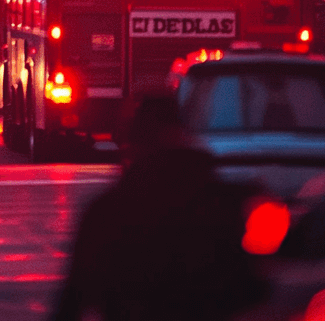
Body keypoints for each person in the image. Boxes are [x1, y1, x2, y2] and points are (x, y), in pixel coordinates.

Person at [51, 93, 269, 321]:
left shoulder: (107, 211)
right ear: (187, 137)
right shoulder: (226, 203)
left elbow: (73, 300)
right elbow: (254, 287)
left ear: (133, 147)